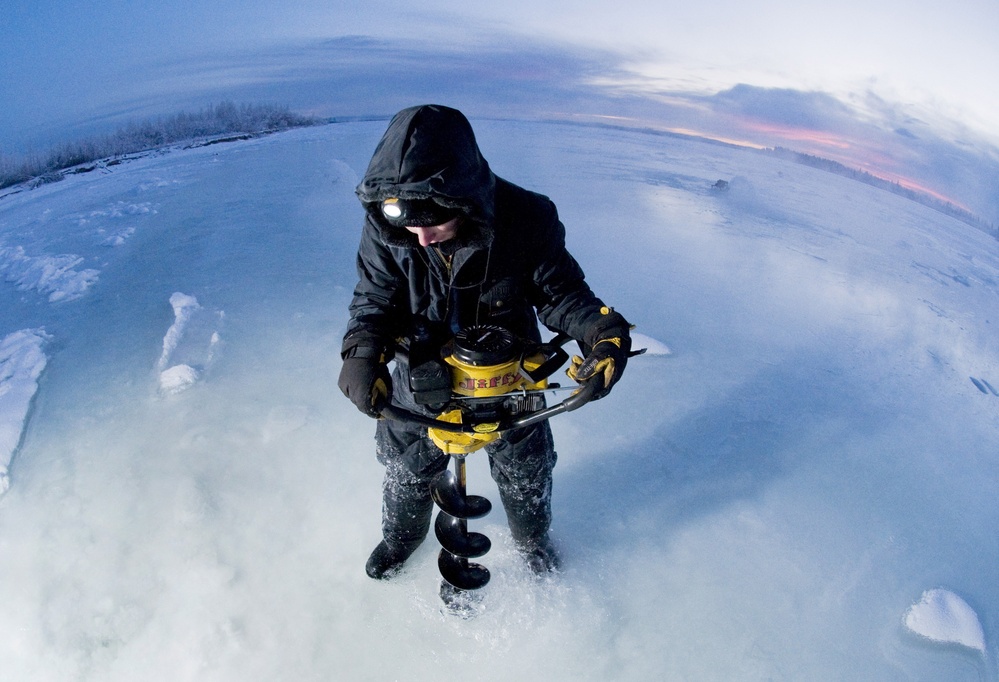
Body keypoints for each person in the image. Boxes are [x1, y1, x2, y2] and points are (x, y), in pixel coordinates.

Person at [338, 104, 632, 580]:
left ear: (463, 198)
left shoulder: (527, 218)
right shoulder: (387, 227)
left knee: (527, 474)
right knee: (406, 472)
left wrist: (603, 333)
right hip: (421, 378)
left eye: (433, 223)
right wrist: (362, 354)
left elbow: (561, 295)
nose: (422, 238)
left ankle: (532, 543)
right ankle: (400, 539)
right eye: (408, 226)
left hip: (508, 380)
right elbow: (374, 299)